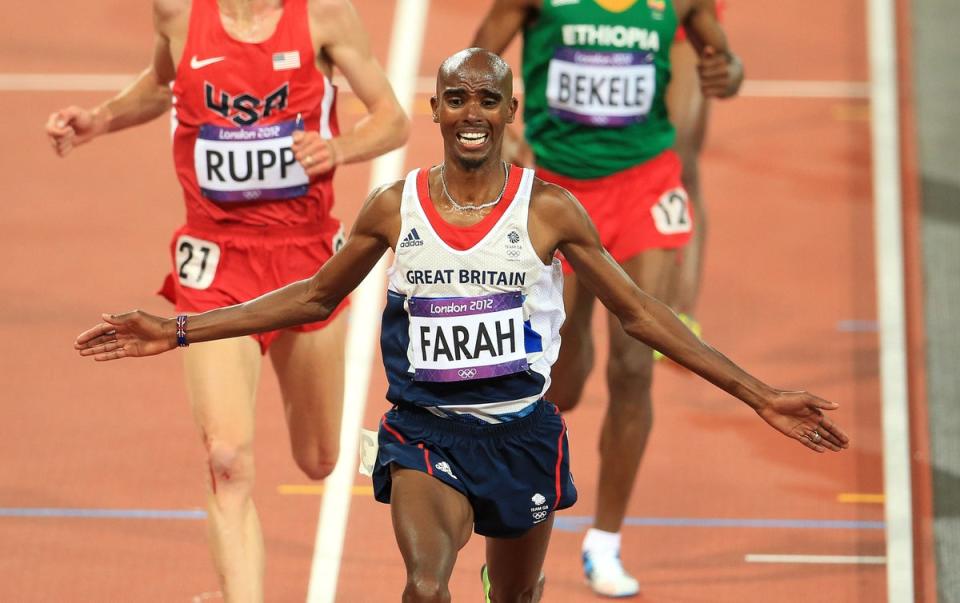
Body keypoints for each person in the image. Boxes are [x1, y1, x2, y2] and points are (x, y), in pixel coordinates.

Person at [75, 48, 846, 603]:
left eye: (488, 99)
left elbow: (641, 314)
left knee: (512, 595)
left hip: (520, 437)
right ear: (436, 110)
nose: (472, 113)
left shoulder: (548, 209)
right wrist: (180, 329)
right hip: (426, 435)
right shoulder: (394, 206)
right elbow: (313, 297)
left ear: (510, 113)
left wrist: (760, 393)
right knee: (422, 583)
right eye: (457, 99)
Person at [46, 0, 408, 600]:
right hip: (214, 265)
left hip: (307, 265)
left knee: (320, 459)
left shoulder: (324, 17)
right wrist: (100, 119)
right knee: (226, 458)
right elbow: (165, 86)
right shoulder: (178, 14)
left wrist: (337, 150)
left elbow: (392, 119)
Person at [473, 0, 743, 594]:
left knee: (632, 365)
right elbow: (477, 64)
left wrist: (730, 72)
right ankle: (522, 518)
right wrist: (503, 136)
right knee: (557, 383)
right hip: (557, 190)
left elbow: (722, 58)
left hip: (643, 188)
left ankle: (605, 541)